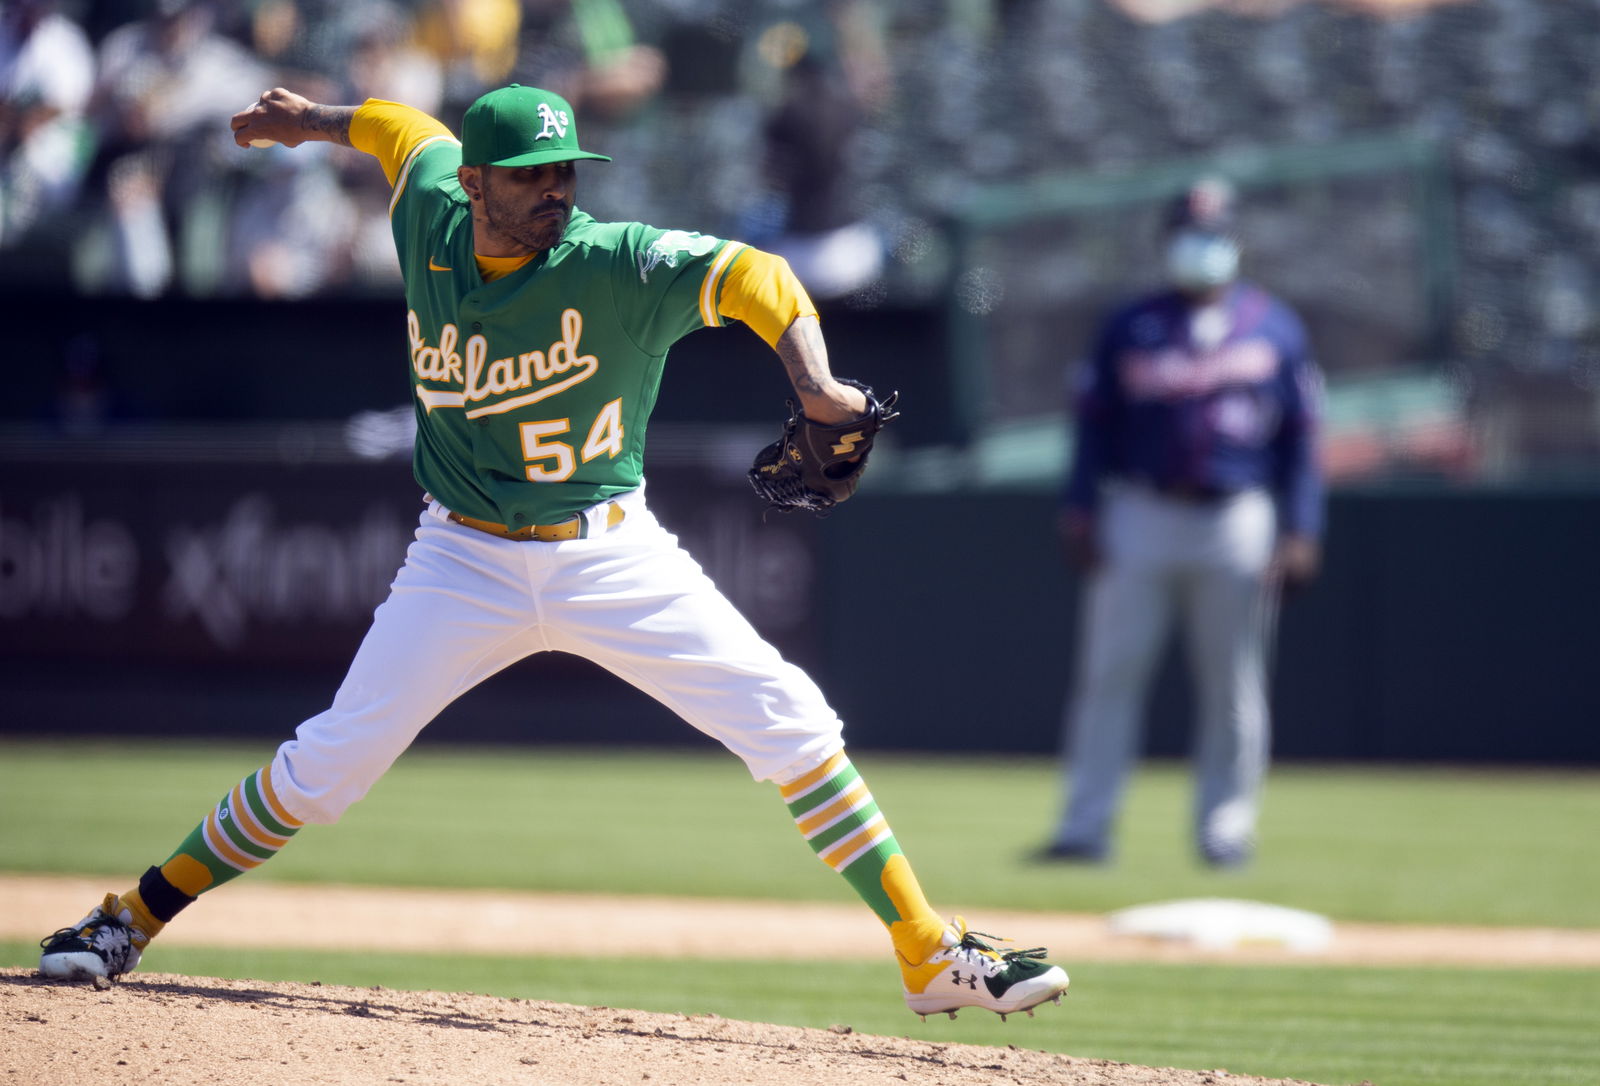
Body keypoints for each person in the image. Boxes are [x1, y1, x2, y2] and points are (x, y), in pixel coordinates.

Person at [38, 82, 1069, 1021]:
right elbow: (401, 129)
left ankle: (928, 952)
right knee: (323, 771)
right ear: (478, 183)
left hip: (607, 550)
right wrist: (313, 124)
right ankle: (130, 915)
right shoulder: (432, 209)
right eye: (529, 175)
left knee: (792, 720)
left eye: (565, 170)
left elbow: (758, 274)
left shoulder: (610, 262)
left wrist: (816, 383)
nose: (553, 191)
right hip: (461, 559)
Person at [1038, 178, 1325, 869]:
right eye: (1190, 233)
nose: (1202, 246)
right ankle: (1085, 827)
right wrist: (1081, 508)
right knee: (1111, 674)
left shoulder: (1276, 326)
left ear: (1236, 241)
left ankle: (1226, 829)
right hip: (1141, 509)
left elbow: (1303, 439)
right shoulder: (1130, 325)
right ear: (1168, 241)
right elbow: (1092, 429)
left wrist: (1302, 529)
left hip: (1237, 516)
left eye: (1215, 233)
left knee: (1233, 682)